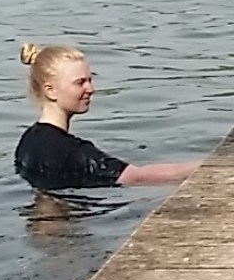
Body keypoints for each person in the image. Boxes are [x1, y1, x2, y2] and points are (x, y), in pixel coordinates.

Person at [14, 47, 202, 192]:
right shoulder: (71, 151)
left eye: (90, 80)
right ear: (50, 91)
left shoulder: (28, 140)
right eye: (80, 83)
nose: (91, 89)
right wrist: (205, 165)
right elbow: (136, 177)